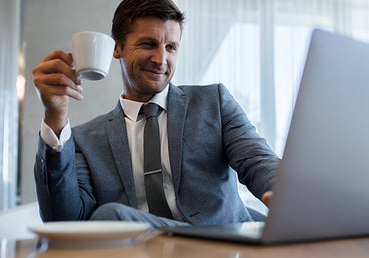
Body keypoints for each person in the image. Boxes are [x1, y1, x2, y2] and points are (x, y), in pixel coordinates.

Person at [32, 0, 280, 228]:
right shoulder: (85, 140)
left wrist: (286, 191)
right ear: (116, 47)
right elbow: (63, 220)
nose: (161, 59)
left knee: (111, 218)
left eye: (171, 47)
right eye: (148, 44)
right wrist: (55, 117)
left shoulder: (213, 102)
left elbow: (257, 160)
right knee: (110, 219)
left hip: (221, 249)